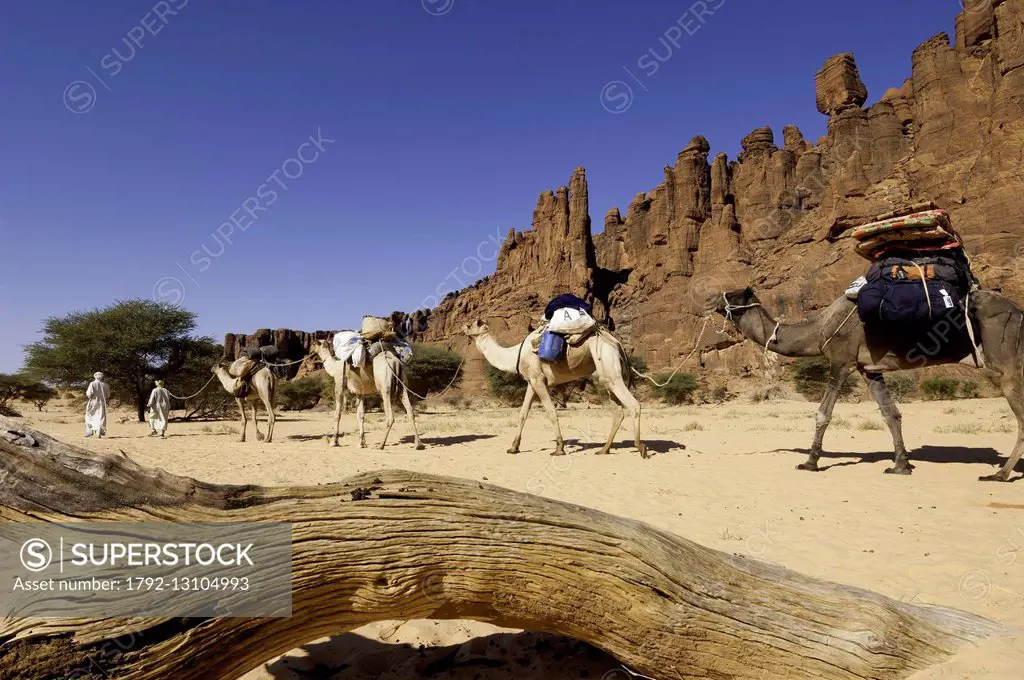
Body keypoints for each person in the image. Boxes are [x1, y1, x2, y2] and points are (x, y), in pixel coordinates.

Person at [84, 372, 109, 438]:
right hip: (102, 402)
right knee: (101, 417)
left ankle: (90, 432)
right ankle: (99, 433)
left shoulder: (92, 384)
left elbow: (89, 394)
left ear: (94, 376)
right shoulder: (105, 384)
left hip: (93, 401)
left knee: (89, 416)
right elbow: (108, 395)